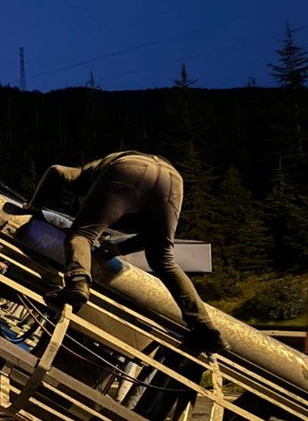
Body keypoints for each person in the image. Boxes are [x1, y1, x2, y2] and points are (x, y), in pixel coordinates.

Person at [29, 151, 227, 353]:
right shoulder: (141, 201)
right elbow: (149, 237)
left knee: (81, 235)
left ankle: (77, 285)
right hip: (172, 180)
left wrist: (34, 207)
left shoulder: (82, 178)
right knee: (163, 260)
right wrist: (119, 249)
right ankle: (205, 328)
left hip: (128, 168)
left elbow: (55, 171)